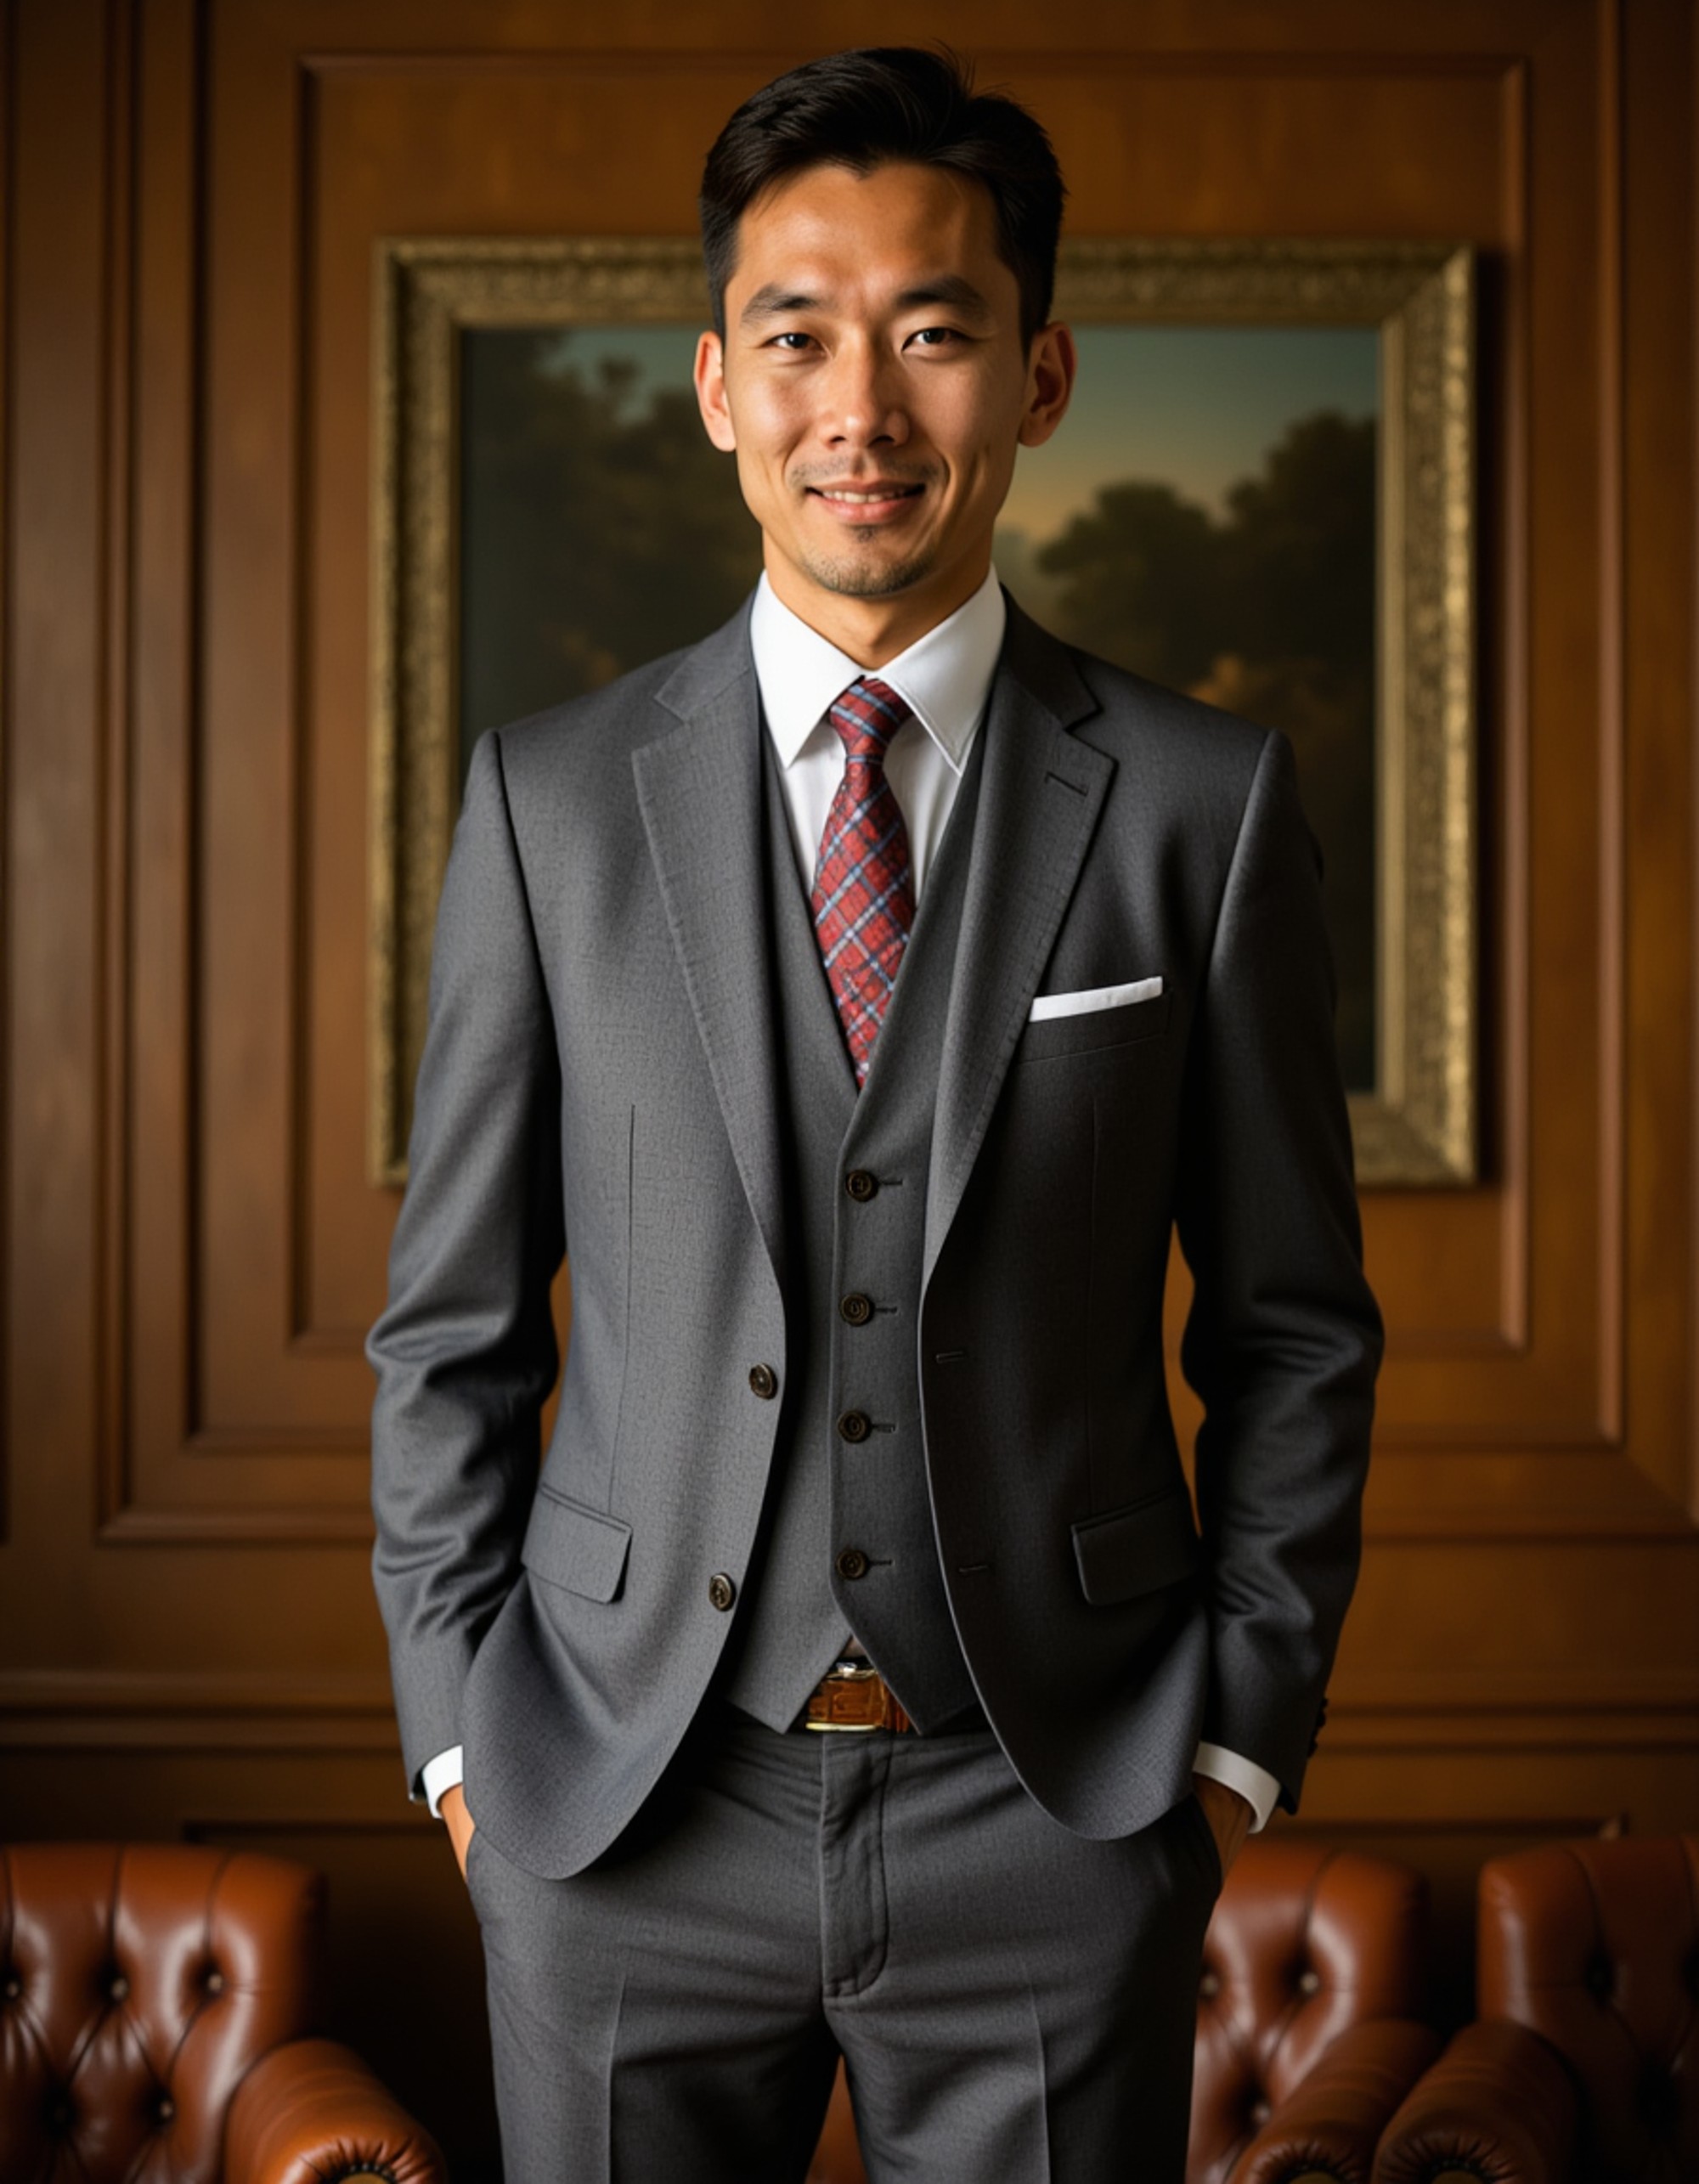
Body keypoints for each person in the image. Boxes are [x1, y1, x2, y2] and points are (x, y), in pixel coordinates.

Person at [369, 45, 1382, 2184]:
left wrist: (1221, 1754)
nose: (865, 404)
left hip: (1055, 1809)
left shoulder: (1203, 807)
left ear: (1036, 373)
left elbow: (1292, 1325)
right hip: (618, 1809)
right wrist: (470, 1751)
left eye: (932, 329)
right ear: (720, 382)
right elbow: (449, 1325)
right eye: (797, 334)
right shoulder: (546, 803)